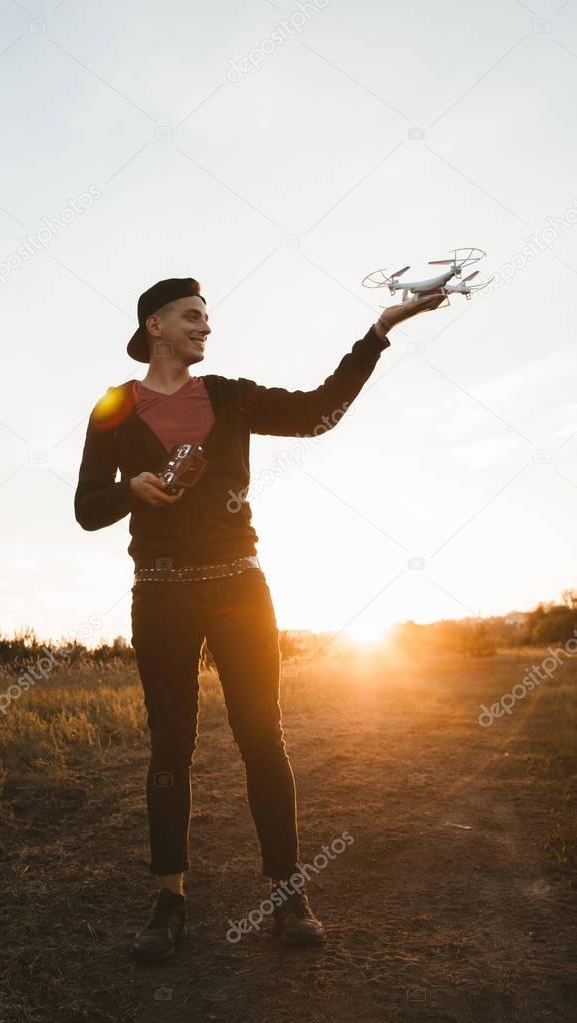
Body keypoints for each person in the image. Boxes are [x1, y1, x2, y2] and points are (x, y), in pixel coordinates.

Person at [74, 276, 445, 961]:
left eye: (207, 318)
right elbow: (86, 507)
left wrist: (380, 332)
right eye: (191, 316)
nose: (204, 327)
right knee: (170, 746)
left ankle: (287, 892)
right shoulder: (113, 407)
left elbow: (318, 413)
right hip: (160, 592)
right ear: (154, 325)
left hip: (241, 588)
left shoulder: (229, 395)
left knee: (261, 736)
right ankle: (169, 900)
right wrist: (131, 489)